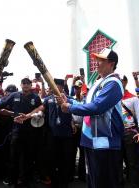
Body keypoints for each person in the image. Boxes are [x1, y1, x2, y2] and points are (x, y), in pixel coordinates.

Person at [59, 48, 124, 188]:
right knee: (94, 182)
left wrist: (69, 108)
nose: (96, 63)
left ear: (111, 63)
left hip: (105, 143)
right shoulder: (98, 82)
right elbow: (86, 104)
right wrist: (69, 100)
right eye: (97, 60)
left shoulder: (113, 83)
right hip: (91, 141)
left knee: (105, 183)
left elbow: (97, 107)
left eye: (101, 60)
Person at [0, 77, 42, 187]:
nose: (25, 85)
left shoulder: (35, 97)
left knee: (28, 158)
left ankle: (25, 180)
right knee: (13, 157)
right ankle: (13, 180)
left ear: (30, 85)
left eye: (28, 83)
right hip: (16, 131)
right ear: (21, 85)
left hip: (30, 132)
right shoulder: (14, 95)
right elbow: (1, 105)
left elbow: (41, 110)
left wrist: (35, 115)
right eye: (23, 83)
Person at [15, 78, 75, 188]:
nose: (53, 88)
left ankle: (64, 182)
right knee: (52, 159)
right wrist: (27, 116)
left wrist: (73, 122)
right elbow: (39, 108)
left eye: (56, 85)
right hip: (52, 135)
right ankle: (54, 181)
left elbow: (75, 113)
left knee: (65, 159)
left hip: (66, 135)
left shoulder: (69, 100)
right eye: (52, 86)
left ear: (61, 87)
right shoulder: (48, 99)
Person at [120, 75, 139, 187]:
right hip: (116, 134)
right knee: (118, 163)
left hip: (130, 133)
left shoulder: (133, 98)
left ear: (126, 82)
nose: (120, 83)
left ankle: (135, 184)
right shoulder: (112, 98)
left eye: (122, 81)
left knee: (133, 162)